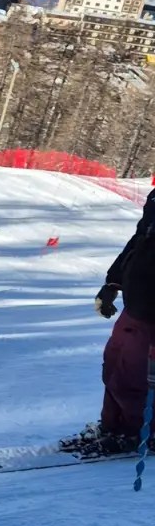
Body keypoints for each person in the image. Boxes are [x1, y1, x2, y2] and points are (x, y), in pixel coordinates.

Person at [62, 187, 155, 457]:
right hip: (139, 300)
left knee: (139, 376)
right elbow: (139, 240)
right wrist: (113, 282)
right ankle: (113, 426)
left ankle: (138, 433)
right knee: (115, 364)